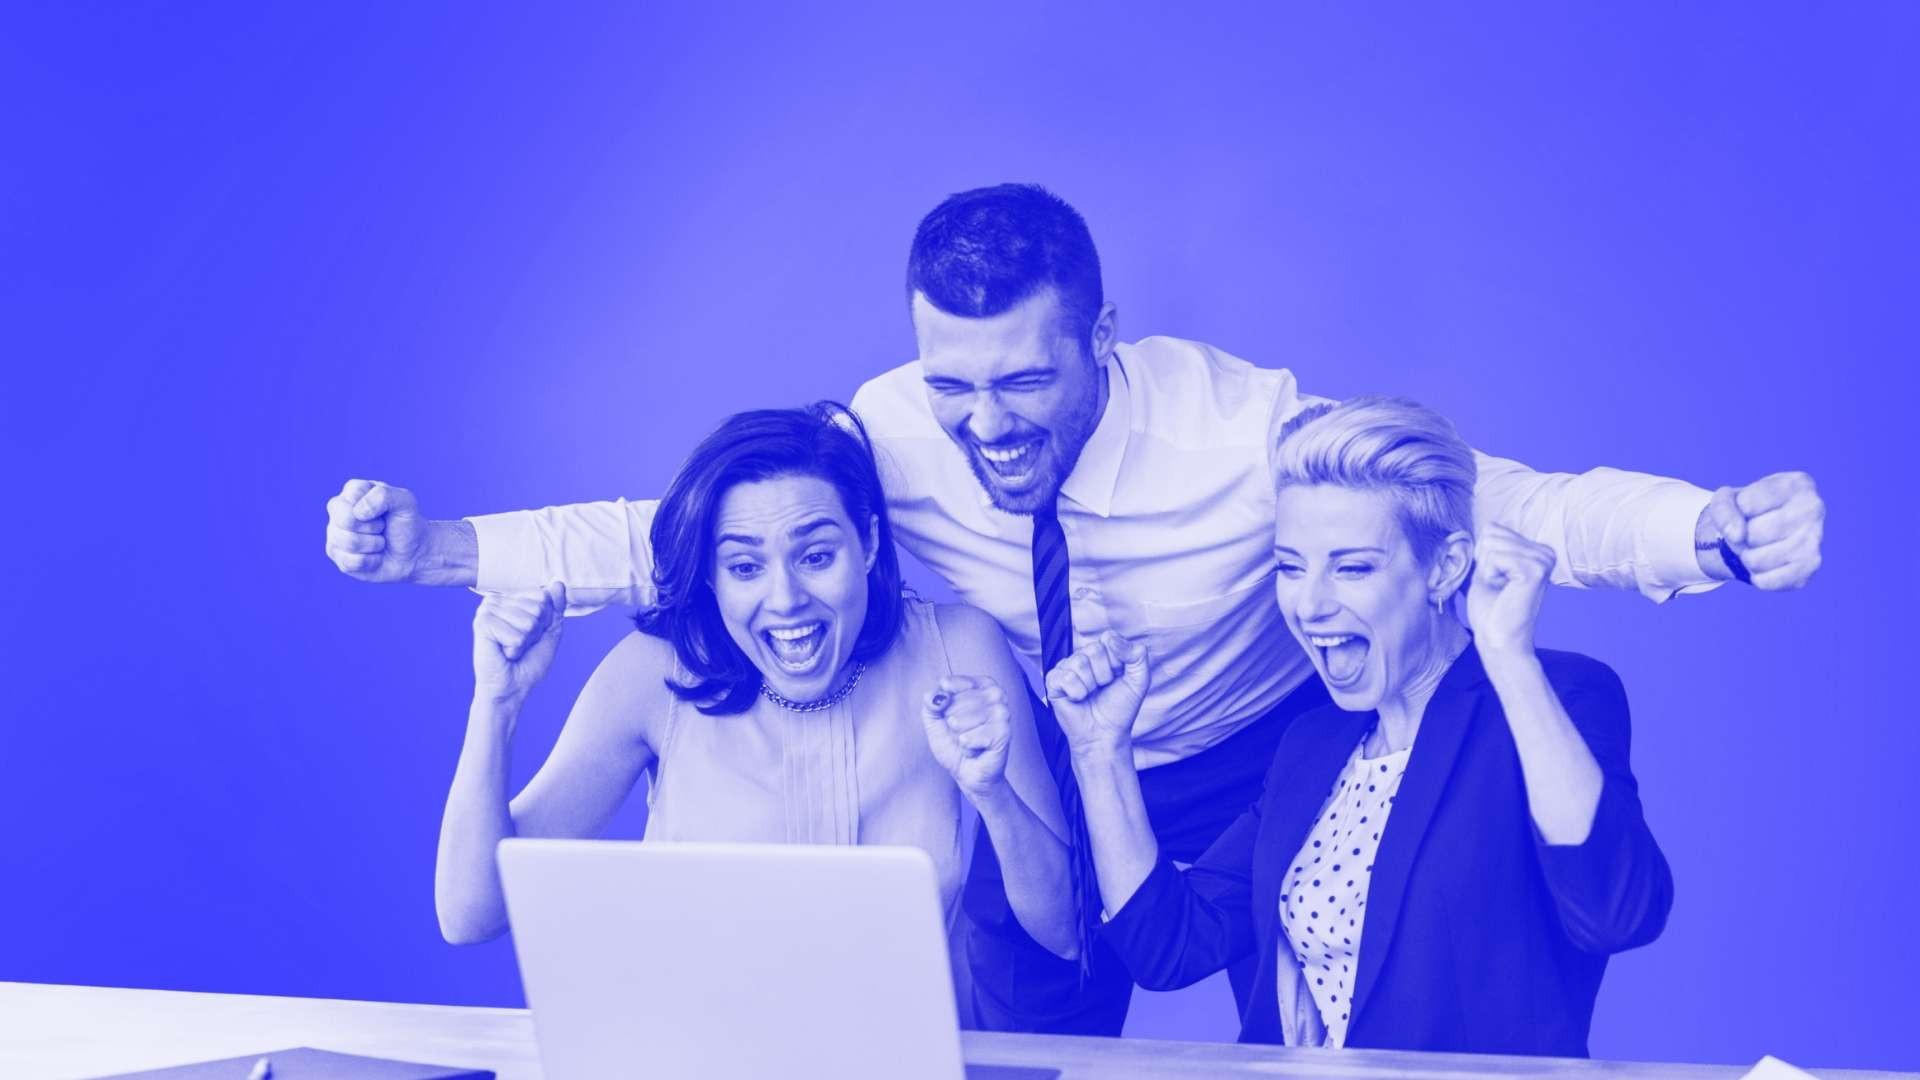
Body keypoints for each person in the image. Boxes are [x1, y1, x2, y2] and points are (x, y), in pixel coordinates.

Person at [324, 184, 1821, 1034]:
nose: (985, 424)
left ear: (1102, 337)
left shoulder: (1243, 428)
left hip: (1261, 760)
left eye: (1025, 382)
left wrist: (1706, 531)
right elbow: (698, 537)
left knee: (1313, 1028)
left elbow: (1493, 498)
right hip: (1035, 762)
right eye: (954, 383)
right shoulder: (895, 429)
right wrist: (448, 550)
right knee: (1005, 1041)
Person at [1050, 396, 1671, 1055]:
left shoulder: (1553, 696)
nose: (1311, 604)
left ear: (1444, 567)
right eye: (1291, 566)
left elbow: (1615, 912)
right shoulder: (1312, 746)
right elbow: (1169, 946)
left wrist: (1509, 658)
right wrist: (1099, 751)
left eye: (1351, 567)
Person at [433, 403, 1075, 963]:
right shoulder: (653, 675)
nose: (786, 599)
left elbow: (1064, 931)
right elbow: (472, 914)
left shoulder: (955, 650)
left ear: (869, 544)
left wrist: (991, 791)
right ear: (712, 577)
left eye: (816, 556)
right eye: (744, 565)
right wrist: (497, 703)